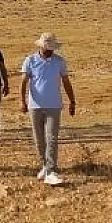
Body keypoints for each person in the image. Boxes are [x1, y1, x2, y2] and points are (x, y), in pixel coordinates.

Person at [20, 32, 76, 186]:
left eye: (52, 48)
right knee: (39, 140)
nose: (50, 50)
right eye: (47, 48)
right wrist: (22, 102)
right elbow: (23, 82)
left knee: (51, 138)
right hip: (35, 106)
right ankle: (44, 165)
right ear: (41, 47)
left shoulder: (59, 62)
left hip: (54, 105)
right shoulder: (30, 61)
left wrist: (72, 101)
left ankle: (51, 170)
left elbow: (66, 82)